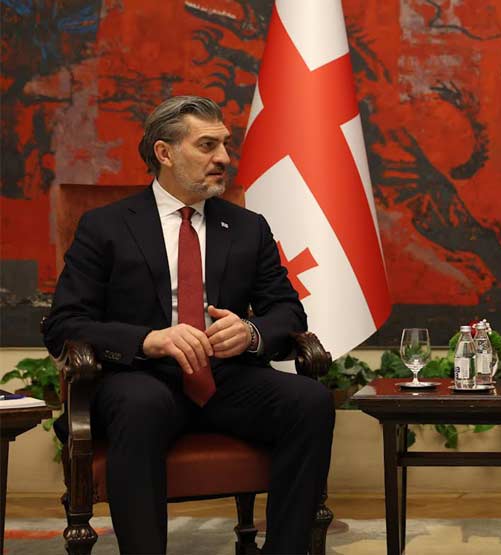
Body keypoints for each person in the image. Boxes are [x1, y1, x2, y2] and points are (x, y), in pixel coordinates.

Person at [43, 95, 335, 554]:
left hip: (225, 379)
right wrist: (148, 340)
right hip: (139, 377)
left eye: (225, 145)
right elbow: (64, 324)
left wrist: (250, 333)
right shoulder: (105, 226)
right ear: (164, 152)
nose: (224, 158)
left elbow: (287, 312)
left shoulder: (248, 227)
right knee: (140, 404)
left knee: (310, 400)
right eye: (206, 145)